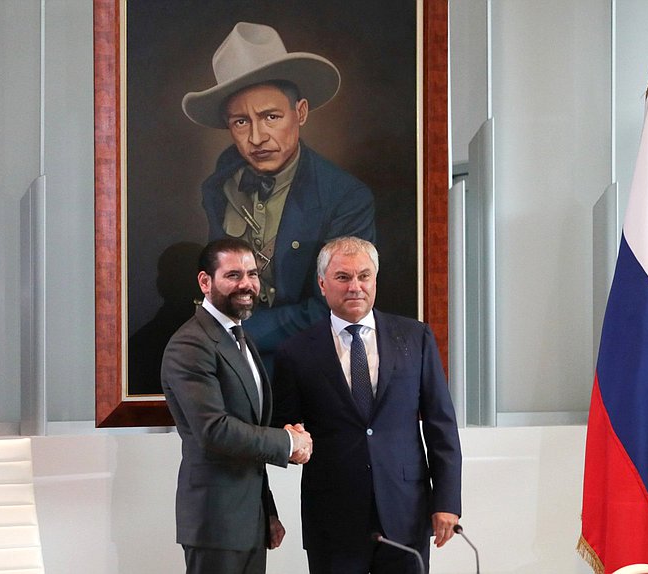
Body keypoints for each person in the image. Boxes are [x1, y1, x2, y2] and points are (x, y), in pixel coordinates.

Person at [182, 21, 376, 370]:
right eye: (241, 122)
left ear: (300, 112)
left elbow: (339, 303)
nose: (257, 137)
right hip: (231, 366)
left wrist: (236, 332)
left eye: (270, 116)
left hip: (308, 368)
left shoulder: (346, 197)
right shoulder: (217, 188)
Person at [272, 236, 462, 574]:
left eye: (364, 276)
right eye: (343, 277)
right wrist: (291, 440)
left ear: (375, 279)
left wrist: (447, 501)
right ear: (322, 284)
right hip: (333, 517)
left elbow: (441, 424)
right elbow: (285, 427)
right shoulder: (295, 351)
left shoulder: (415, 337)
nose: (355, 287)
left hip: (406, 511)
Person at [161, 237, 313, 574]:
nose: (247, 284)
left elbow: (249, 430)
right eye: (233, 275)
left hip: (249, 522)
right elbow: (214, 430)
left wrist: (267, 511)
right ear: (205, 282)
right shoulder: (190, 344)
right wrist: (288, 442)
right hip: (215, 524)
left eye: (253, 274)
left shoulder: (241, 338)